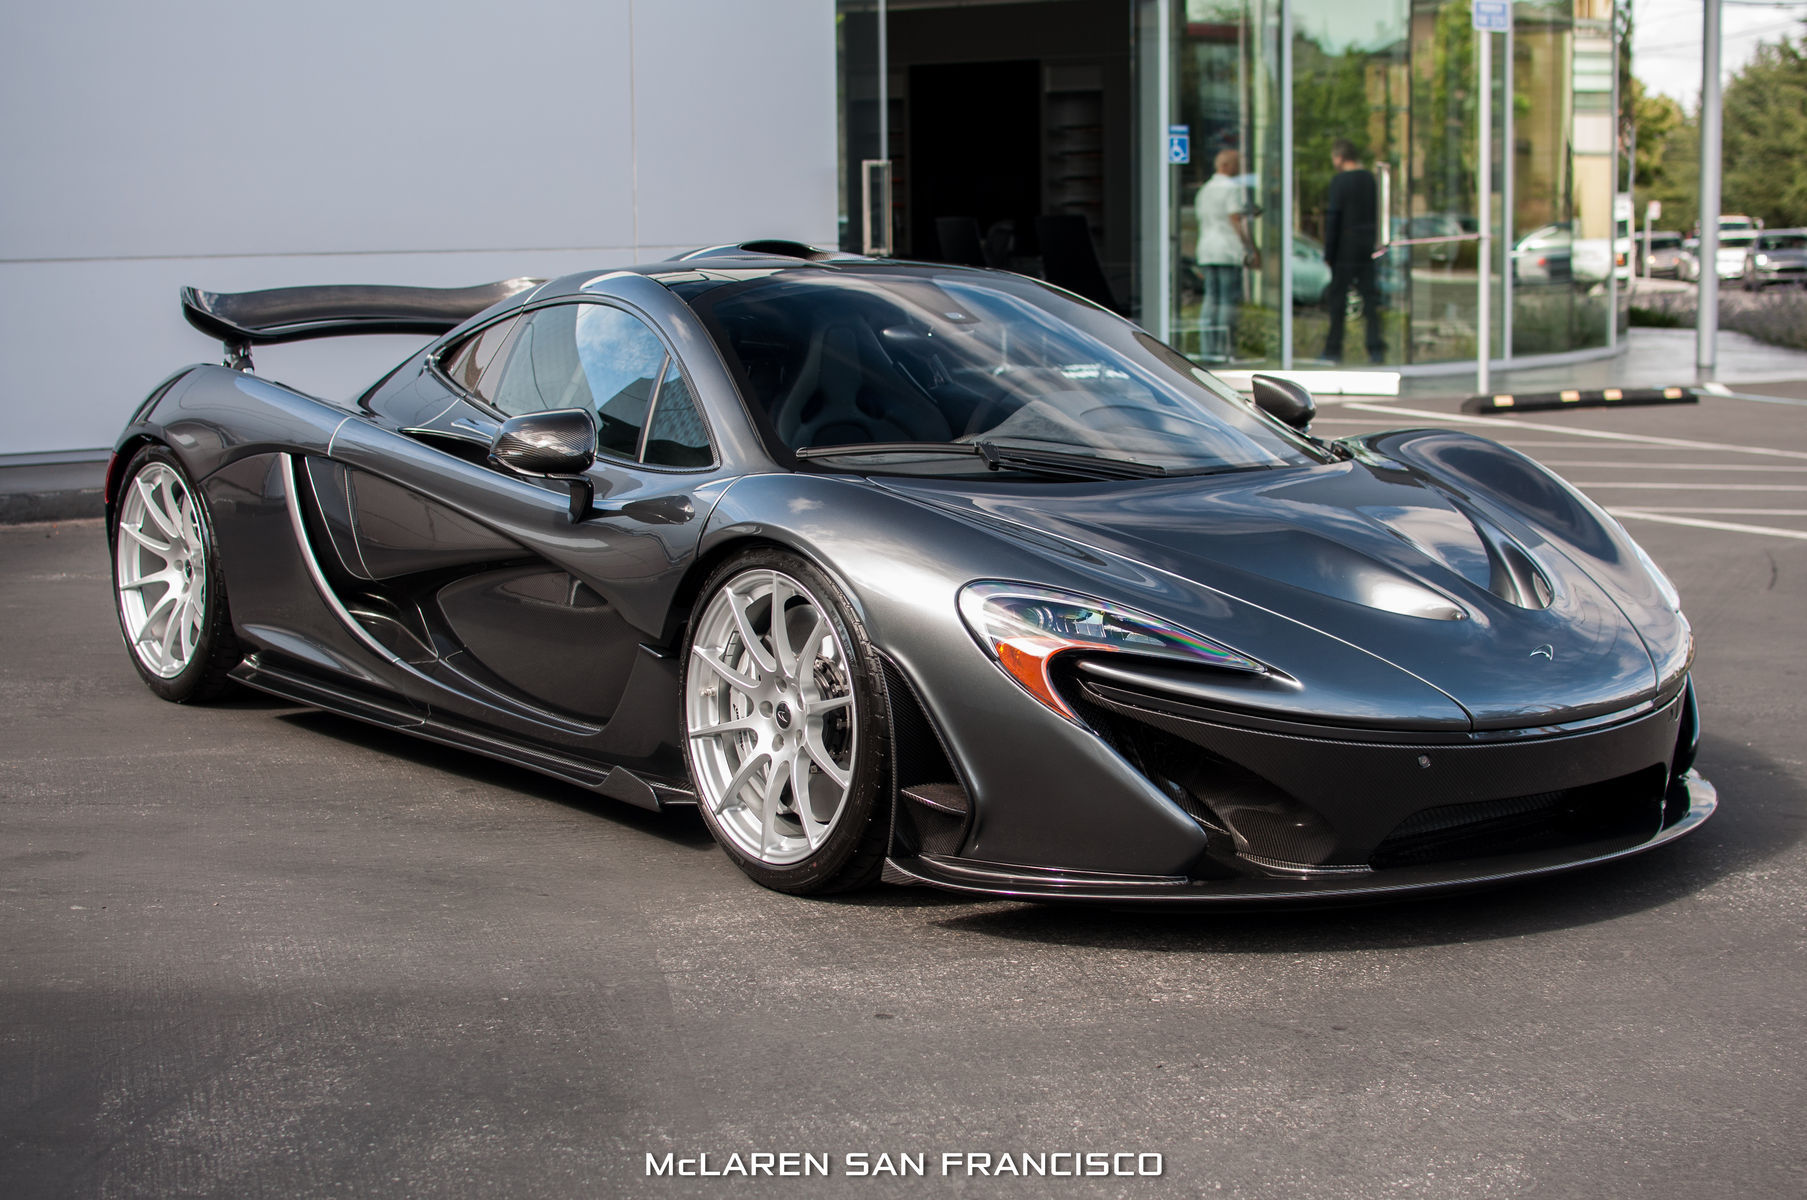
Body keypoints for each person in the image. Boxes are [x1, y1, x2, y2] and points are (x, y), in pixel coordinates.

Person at [1321, 138, 1385, 364]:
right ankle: (1375, 348)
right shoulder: (1370, 179)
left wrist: (1329, 252)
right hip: (1366, 245)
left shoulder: (1340, 182)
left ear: (1339, 157)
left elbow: (1334, 217)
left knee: (1338, 299)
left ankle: (1333, 349)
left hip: (1345, 247)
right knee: (1369, 298)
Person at [1193, 147, 1260, 362]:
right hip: (1226, 250)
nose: (1239, 169)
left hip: (1206, 249)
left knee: (1210, 299)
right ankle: (1223, 349)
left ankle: (1207, 349)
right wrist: (1249, 246)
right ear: (1226, 166)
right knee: (1225, 301)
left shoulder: (1204, 190)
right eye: (1236, 164)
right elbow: (1234, 219)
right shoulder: (1231, 189)